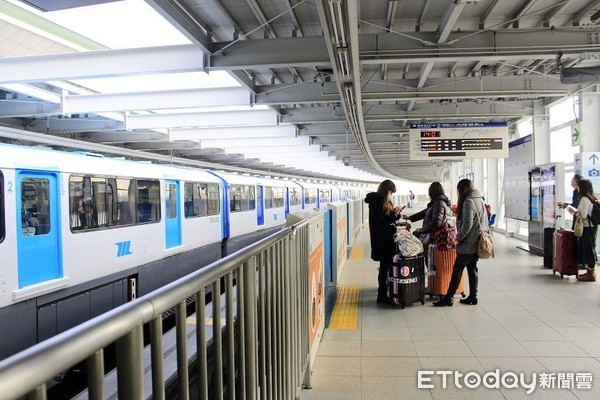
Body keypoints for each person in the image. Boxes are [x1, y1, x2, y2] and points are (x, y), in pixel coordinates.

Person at [434, 179, 488, 306]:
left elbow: (467, 224)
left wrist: (458, 238)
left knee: (457, 269)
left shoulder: (469, 201)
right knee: (472, 268)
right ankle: (473, 296)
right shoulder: (479, 199)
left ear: (462, 189)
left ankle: (448, 298)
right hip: (476, 241)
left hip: (468, 244)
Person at [364, 180, 405, 304]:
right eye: (391, 192)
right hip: (381, 241)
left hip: (387, 239)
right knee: (384, 268)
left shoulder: (386, 202)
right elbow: (380, 222)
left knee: (386, 267)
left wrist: (396, 213)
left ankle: (386, 292)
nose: (391, 194)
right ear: (386, 190)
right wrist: (394, 214)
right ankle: (381, 295)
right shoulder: (375, 203)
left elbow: (388, 218)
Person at [402, 182, 450, 250]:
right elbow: (424, 212)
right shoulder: (436, 203)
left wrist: (423, 230)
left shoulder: (439, 203)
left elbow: (436, 223)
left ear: (433, 192)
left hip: (434, 238)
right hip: (432, 235)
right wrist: (410, 217)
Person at [566, 179, 598, 282]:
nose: (577, 188)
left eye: (579, 186)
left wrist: (573, 212)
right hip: (591, 227)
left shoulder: (584, 199)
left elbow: (583, 215)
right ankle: (590, 271)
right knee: (590, 248)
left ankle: (591, 274)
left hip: (587, 228)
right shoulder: (592, 198)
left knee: (588, 250)